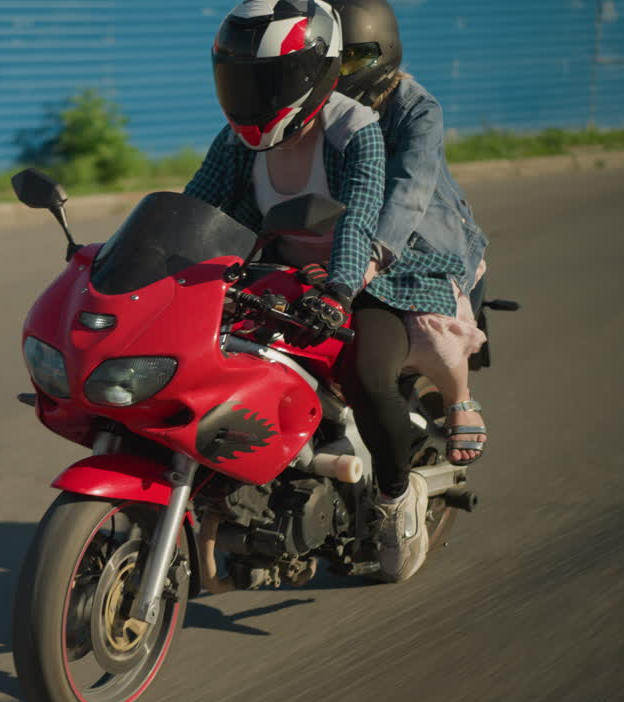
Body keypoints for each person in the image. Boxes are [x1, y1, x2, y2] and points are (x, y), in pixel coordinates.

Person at [184, 0, 450, 581]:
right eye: (243, 80)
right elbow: (197, 204)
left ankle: (396, 496)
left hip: (364, 279)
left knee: (367, 376)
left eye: (270, 80)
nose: (254, 96)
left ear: (313, 75)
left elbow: (357, 220)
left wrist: (339, 290)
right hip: (280, 276)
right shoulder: (236, 141)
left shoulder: (356, 130)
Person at [330, 0, 490, 467]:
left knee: (426, 325)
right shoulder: (323, 108)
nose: (339, 72)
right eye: (332, 60)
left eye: (353, 59)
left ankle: (460, 399)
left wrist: (372, 256)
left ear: (384, 52)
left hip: (424, 237)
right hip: (348, 230)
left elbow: (410, 190)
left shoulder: (416, 106)